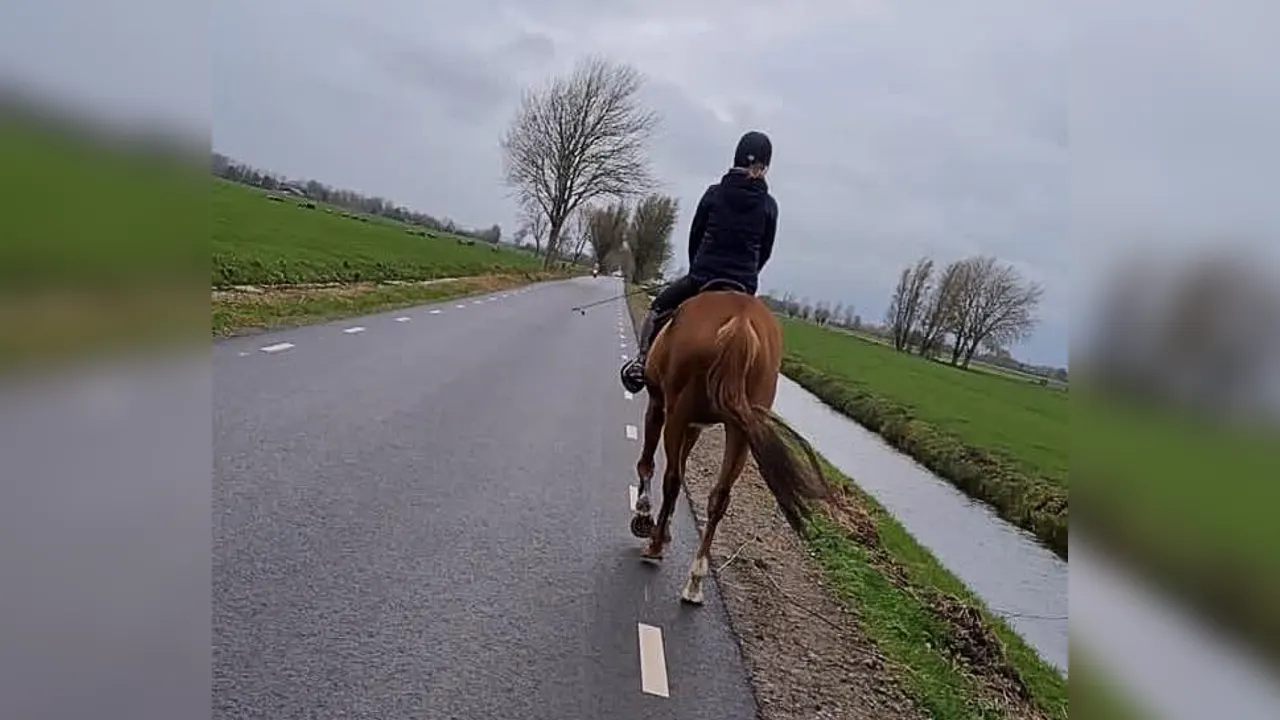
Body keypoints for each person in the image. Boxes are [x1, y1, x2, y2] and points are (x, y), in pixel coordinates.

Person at [620, 130, 778, 394]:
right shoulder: (769, 205)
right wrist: (748, 277)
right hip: (744, 284)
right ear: (763, 165)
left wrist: (697, 271)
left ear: (737, 158)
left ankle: (641, 363)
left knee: (658, 308)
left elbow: (695, 235)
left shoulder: (714, 194)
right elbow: (766, 251)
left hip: (704, 276)